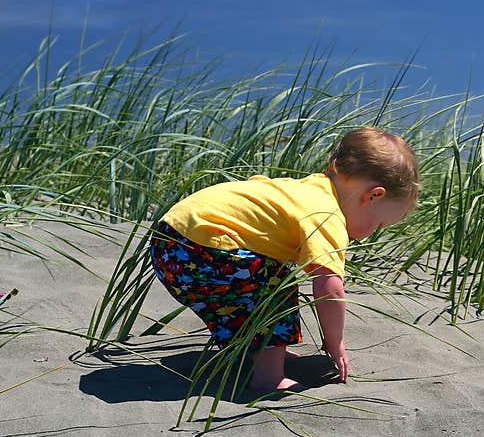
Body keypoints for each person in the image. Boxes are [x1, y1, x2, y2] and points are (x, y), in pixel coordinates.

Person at [149, 126, 419, 393]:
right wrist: (334, 343)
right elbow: (330, 288)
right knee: (276, 287)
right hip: (201, 248)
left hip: (169, 244)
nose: (372, 233)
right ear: (373, 195)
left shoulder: (306, 188)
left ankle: (251, 353)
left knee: (247, 293)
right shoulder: (326, 213)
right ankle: (268, 377)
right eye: (380, 224)